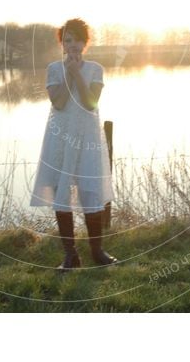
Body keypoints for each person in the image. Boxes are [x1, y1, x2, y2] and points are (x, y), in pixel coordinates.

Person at [29, 18, 118, 270]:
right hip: (60, 136)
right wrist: (68, 73)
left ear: (85, 42)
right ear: (62, 43)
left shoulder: (96, 69)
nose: (73, 45)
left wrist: (78, 72)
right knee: (61, 191)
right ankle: (71, 255)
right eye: (68, 40)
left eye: (78, 39)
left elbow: (90, 103)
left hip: (87, 136)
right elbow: (58, 103)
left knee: (91, 190)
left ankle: (97, 251)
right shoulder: (54, 69)